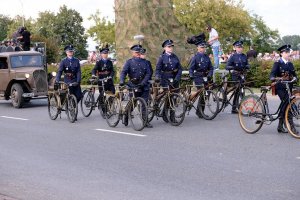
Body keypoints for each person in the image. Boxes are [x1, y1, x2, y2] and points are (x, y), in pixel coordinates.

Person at [120, 44, 152, 128]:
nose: (138, 53)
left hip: (144, 85)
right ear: (133, 53)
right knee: (132, 103)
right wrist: (122, 80)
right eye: (136, 52)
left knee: (144, 103)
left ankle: (145, 121)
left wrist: (143, 82)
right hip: (133, 85)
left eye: (139, 52)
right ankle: (126, 115)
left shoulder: (145, 62)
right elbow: (124, 72)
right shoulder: (129, 62)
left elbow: (149, 73)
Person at [270, 44, 298, 134]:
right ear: (281, 53)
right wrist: (274, 78)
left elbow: (295, 75)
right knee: (288, 105)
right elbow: (272, 75)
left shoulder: (290, 64)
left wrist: (295, 78)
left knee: (285, 106)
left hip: (288, 87)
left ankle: (280, 126)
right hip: (280, 88)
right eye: (286, 52)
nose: (288, 54)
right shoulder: (277, 63)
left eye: (288, 52)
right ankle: (291, 127)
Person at [189, 39, 213, 118]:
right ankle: (200, 111)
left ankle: (200, 111)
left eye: (204, 47)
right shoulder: (195, 57)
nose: (203, 49)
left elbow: (211, 68)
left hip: (205, 77)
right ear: (198, 48)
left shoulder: (207, 57)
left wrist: (209, 74)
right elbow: (191, 68)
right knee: (202, 92)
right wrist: (191, 75)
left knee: (207, 93)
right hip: (198, 77)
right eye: (201, 47)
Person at [226, 40, 249, 114]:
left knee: (242, 91)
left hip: (242, 75)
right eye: (238, 47)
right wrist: (232, 69)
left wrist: (248, 66)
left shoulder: (244, 56)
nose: (240, 48)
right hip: (235, 75)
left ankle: (239, 106)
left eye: (241, 47)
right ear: (235, 48)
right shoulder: (233, 56)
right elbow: (227, 66)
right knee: (237, 91)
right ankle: (234, 108)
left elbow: (247, 64)